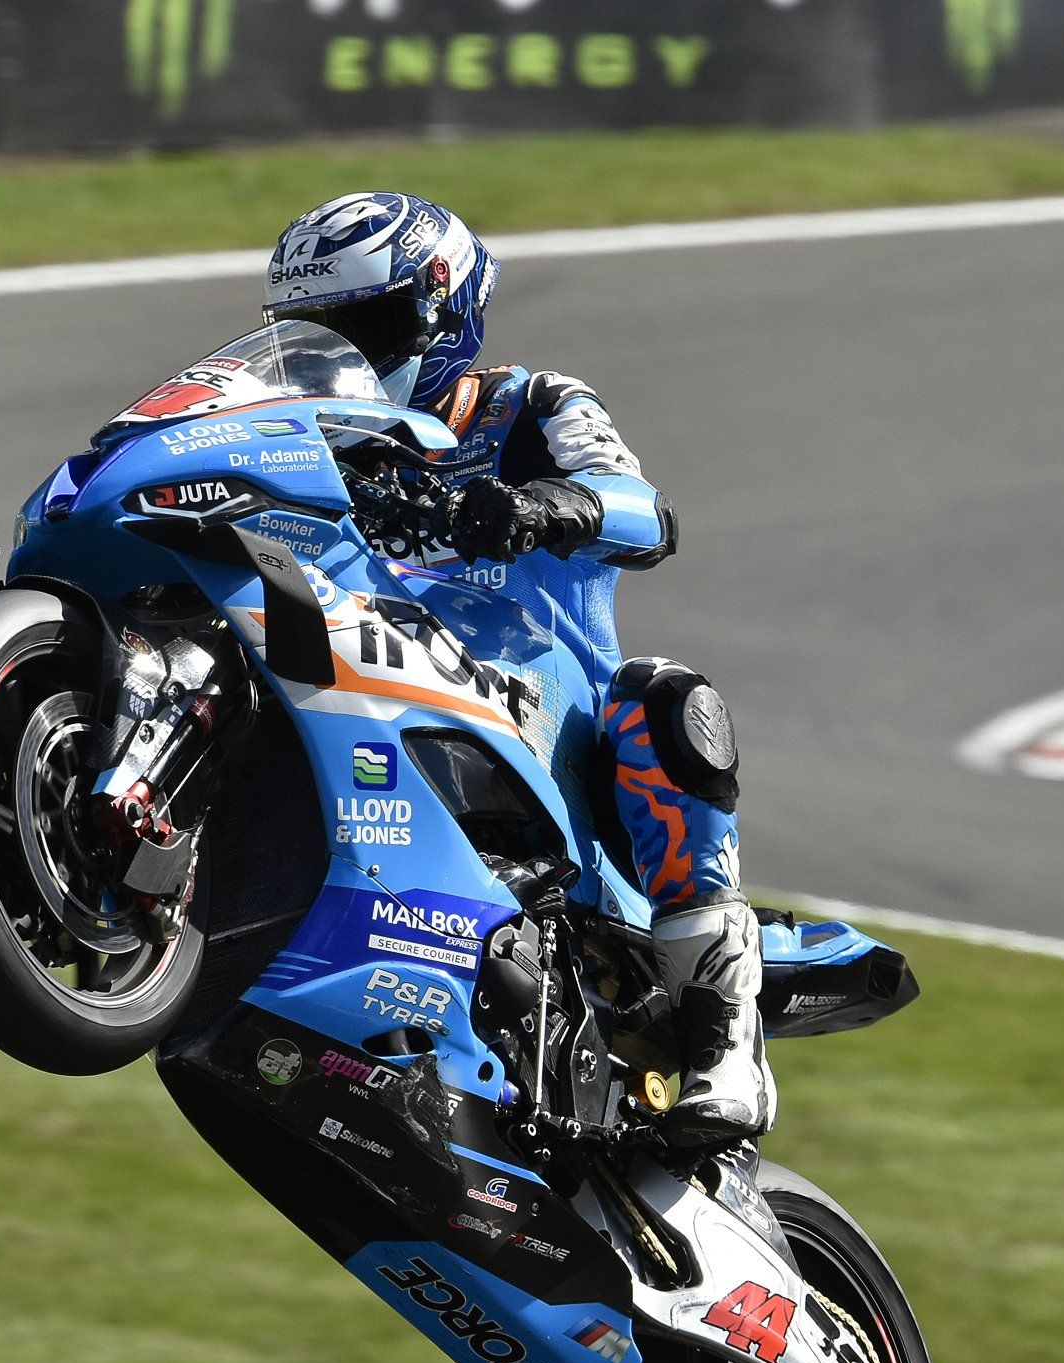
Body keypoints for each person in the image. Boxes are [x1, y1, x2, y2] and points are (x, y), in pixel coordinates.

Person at [264, 192, 774, 1148]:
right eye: (316, 332)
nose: (354, 355)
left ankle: (724, 1038)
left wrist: (545, 508)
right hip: (380, 699)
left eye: (370, 327)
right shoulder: (310, 434)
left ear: (442, 310)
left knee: (665, 699)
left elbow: (645, 510)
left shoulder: (530, 404)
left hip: (551, 731)